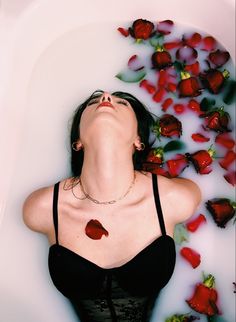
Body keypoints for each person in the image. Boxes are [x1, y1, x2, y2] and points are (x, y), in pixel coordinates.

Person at [23, 90, 201, 322]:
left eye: (122, 102)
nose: (106, 97)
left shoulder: (172, 198)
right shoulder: (42, 209)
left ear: (139, 141)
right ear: (77, 141)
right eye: (94, 101)